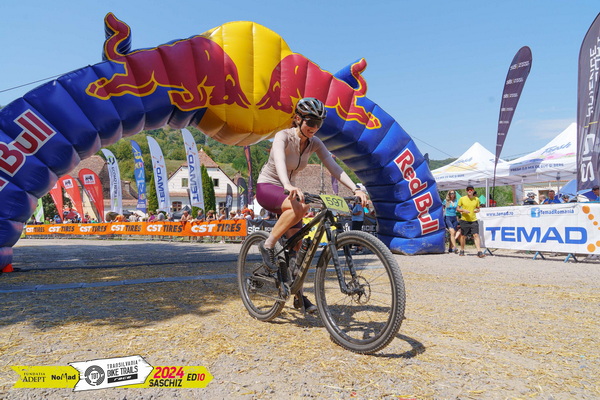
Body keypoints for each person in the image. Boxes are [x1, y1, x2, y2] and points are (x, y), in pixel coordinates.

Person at [256, 97, 368, 313]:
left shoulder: (315, 143)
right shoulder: (283, 136)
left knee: (297, 248)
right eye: (311, 122)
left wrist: (355, 189)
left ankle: (298, 295)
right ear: (298, 119)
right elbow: (279, 161)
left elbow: (334, 167)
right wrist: (287, 184)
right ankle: (268, 245)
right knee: (301, 207)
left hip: (290, 191)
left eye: (319, 123)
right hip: (269, 186)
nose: (314, 127)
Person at [456, 185, 485, 258]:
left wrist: (477, 210)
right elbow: (457, 209)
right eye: (468, 190)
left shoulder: (477, 199)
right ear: (466, 191)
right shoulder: (462, 199)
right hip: (464, 220)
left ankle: (479, 251)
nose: (470, 191)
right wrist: (463, 210)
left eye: (471, 190)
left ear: (473, 191)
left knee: (476, 235)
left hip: (473, 220)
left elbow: (478, 208)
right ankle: (462, 250)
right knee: (463, 236)